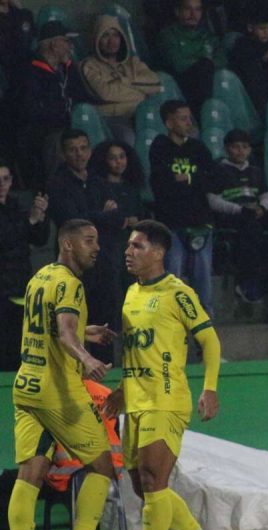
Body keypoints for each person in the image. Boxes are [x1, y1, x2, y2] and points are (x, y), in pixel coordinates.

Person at [103, 220, 227, 530]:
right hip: (137, 400)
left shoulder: (178, 292)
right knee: (144, 488)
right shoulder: (131, 294)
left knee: (155, 480)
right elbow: (137, 349)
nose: (129, 252)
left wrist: (210, 387)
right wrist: (124, 390)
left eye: (138, 246)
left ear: (158, 253)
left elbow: (211, 340)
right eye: (129, 245)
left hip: (166, 398)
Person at [8, 218, 118, 530]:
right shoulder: (71, 284)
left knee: (30, 474)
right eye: (89, 241)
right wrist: (86, 357)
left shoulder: (41, 277)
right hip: (58, 389)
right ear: (68, 244)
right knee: (103, 467)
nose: (96, 247)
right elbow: (65, 333)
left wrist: (88, 329)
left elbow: (49, 326)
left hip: (26, 385)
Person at [149, 99, 217, 316]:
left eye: (190, 118)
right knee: (172, 281)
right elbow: (162, 183)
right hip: (171, 225)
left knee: (203, 285)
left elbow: (215, 179)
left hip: (200, 223)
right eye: (183, 118)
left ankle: (207, 344)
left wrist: (187, 177)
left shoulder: (198, 148)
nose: (189, 122)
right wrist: (195, 179)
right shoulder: (160, 147)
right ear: (169, 123)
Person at [206, 129, 268, 304]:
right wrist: (239, 209)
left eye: (245, 147)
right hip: (232, 216)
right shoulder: (219, 171)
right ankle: (247, 282)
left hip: (254, 212)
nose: (240, 151)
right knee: (251, 227)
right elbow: (212, 200)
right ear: (227, 149)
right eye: (236, 147)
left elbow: (267, 195)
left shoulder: (256, 171)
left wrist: (262, 207)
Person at [17, 20, 87, 189]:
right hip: (43, 133)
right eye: (66, 41)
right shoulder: (30, 71)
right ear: (54, 45)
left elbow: (81, 96)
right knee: (58, 142)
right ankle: (57, 195)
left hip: (69, 126)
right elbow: (31, 111)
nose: (70, 46)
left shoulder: (69, 68)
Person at [87, 140, 146, 312]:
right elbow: (96, 217)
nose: (118, 162)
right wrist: (118, 219)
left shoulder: (131, 186)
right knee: (113, 293)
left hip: (131, 246)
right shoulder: (97, 185)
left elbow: (139, 215)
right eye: (113, 158)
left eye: (122, 157)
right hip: (108, 248)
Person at [80, 14, 162, 135]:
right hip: (114, 118)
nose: (111, 41)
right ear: (97, 39)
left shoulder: (133, 62)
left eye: (115, 35)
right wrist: (141, 93)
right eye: (105, 36)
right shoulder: (88, 65)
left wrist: (124, 82)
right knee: (128, 137)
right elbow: (105, 94)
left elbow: (155, 83)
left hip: (141, 113)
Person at [0, 161, 47, 371]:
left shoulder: (16, 205)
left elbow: (39, 239)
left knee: (18, 343)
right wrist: (31, 220)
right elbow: (6, 238)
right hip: (2, 286)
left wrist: (40, 216)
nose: (2, 184)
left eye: (5, 179)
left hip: (19, 284)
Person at [155, 0, 227, 113]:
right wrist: (203, 61)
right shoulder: (168, 35)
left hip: (207, 81)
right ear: (177, 12)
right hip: (180, 85)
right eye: (188, 9)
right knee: (204, 66)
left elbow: (222, 61)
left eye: (198, 9)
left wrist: (204, 63)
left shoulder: (208, 36)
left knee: (222, 75)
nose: (193, 14)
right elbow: (178, 64)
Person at [228, 3, 268, 115]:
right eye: (262, 28)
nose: (266, 32)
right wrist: (262, 59)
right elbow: (244, 70)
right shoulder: (242, 44)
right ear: (250, 27)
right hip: (253, 92)